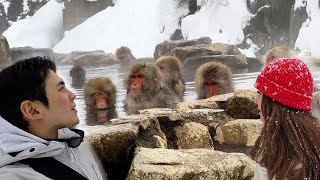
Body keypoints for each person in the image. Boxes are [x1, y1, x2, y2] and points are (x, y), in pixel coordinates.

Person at [0, 56, 107, 180]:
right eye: (61, 89)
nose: (73, 95)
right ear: (32, 110)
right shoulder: (13, 176)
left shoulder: (75, 145)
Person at [251, 58, 320, 180]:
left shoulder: (297, 161)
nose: (255, 100)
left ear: (277, 101)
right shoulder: (274, 138)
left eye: (260, 93)